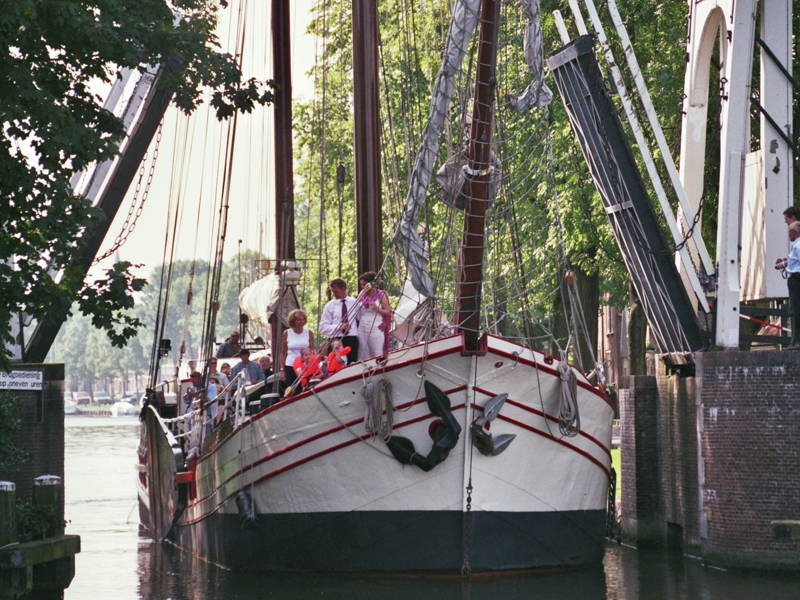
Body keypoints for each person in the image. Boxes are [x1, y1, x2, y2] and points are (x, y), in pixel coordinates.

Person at [318, 278, 360, 361]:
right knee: (336, 364)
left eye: (335, 292)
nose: (333, 294)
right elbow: (322, 327)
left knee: (352, 364)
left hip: (351, 338)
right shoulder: (329, 305)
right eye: (332, 292)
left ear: (344, 289)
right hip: (335, 340)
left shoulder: (355, 302)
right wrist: (339, 326)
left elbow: (362, 318)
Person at [775, 221, 800, 348]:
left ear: (794, 233)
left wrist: (783, 264)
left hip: (796, 279)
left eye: (789, 231)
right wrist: (786, 261)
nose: (788, 234)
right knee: (794, 310)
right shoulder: (795, 245)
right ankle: (795, 341)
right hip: (794, 278)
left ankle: (796, 341)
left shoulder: (798, 245)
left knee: (795, 310)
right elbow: (794, 260)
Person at [356, 271, 392, 359]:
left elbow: (388, 311)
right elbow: (356, 310)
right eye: (361, 285)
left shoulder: (381, 294)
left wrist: (377, 308)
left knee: (376, 352)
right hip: (362, 326)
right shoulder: (361, 294)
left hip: (376, 326)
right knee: (363, 352)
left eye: (364, 284)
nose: (363, 287)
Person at [280, 309, 314, 389]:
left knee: (306, 388)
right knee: (292, 389)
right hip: (290, 365)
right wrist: (282, 369)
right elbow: (283, 352)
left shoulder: (309, 332)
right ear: (293, 321)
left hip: (305, 365)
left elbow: (312, 349)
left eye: (303, 319)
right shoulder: (287, 333)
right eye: (298, 320)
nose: (301, 322)